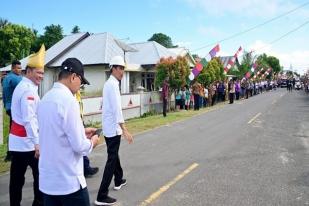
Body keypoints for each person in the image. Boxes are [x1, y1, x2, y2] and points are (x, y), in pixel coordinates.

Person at [38, 58, 100, 206]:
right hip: (68, 183)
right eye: (82, 82)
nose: (81, 86)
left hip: (48, 183)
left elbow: (54, 133)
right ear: (73, 77)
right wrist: (92, 142)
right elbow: (79, 146)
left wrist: (81, 131)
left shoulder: (45, 99)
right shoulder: (69, 101)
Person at [9, 45, 45, 206]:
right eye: (38, 72)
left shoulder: (25, 86)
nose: (41, 76)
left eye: (43, 73)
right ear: (29, 71)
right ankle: (38, 203)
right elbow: (29, 119)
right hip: (27, 143)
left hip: (20, 141)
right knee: (39, 175)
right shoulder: (28, 91)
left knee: (17, 179)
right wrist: (37, 143)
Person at [95, 56, 133, 205]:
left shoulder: (109, 84)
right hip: (113, 127)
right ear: (114, 68)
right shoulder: (113, 85)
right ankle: (101, 195)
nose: (122, 71)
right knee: (111, 159)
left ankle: (118, 179)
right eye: (120, 68)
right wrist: (125, 129)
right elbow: (117, 108)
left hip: (109, 126)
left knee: (113, 153)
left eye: (123, 68)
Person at [2, 60, 23, 161]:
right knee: (15, 130)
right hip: (15, 108)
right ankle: (12, 152)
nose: (20, 70)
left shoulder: (6, 78)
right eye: (18, 68)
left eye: (20, 68)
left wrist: (5, 106)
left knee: (12, 129)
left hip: (8, 107)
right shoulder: (16, 79)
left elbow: (4, 94)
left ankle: (10, 153)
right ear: (13, 68)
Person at [75, 90, 99, 177]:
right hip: (76, 123)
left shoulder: (77, 94)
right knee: (80, 146)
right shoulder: (71, 95)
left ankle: (85, 168)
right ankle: (86, 168)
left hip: (80, 122)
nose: (81, 87)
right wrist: (92, 143)